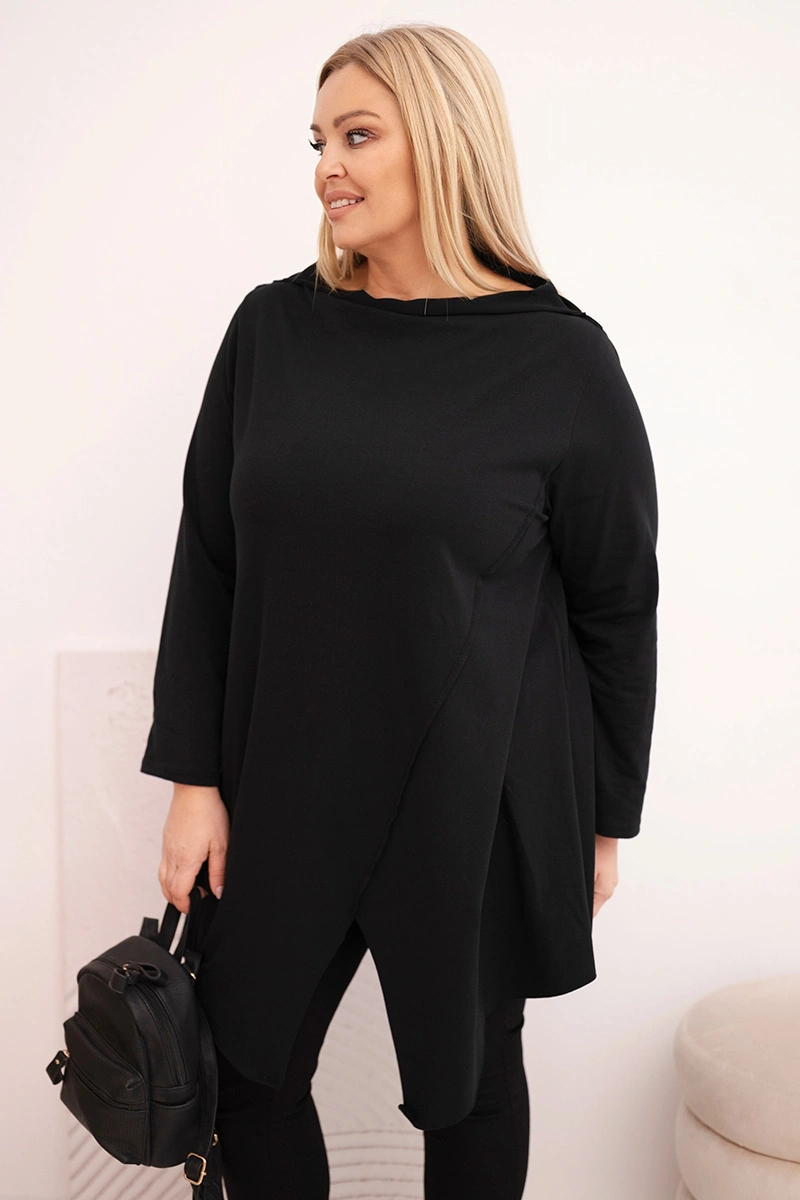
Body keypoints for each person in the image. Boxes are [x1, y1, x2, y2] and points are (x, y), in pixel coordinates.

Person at [141, 21, 659, 1200]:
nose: (327, 165)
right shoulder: (271, 332)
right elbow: (208, 560)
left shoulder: (561, 362)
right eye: (318, 140)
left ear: (443, 139)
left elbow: (616, 608)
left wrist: (599, 819)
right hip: (281, 780)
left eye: (358, 135)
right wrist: (192, 779)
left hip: (474, 795)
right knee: (242, 1077)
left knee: (465, 1086)